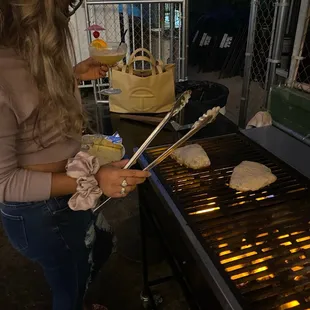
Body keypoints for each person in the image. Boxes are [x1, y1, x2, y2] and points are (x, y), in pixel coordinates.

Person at [0, 1, 150, 310]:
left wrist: (73, 76)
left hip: (61, 198)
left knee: (91, 255)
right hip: (39, 213)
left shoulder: (22, 48)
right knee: (70, 280)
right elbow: (4, 183)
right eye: (61, 8)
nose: (66, 14)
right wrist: (93, 180)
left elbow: (29, 100)